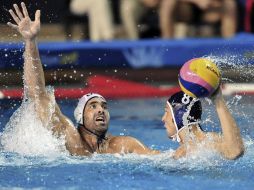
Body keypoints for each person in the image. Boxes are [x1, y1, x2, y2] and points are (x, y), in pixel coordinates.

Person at [7, 2, 159, 156]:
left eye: (104, 106)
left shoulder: (122, 145)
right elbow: (37, 95)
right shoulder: (70, 138)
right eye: (93, 106)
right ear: (80, 116)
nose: (101, 110)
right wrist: (30, 42)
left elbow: (157, 157)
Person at [162, 89, 244, 159]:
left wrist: (217, 98)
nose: (163, 118)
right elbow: (158, 155)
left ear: (177, 115)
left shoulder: (207, 142)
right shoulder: (183, 151)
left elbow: (235, 151)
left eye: (166, 112)